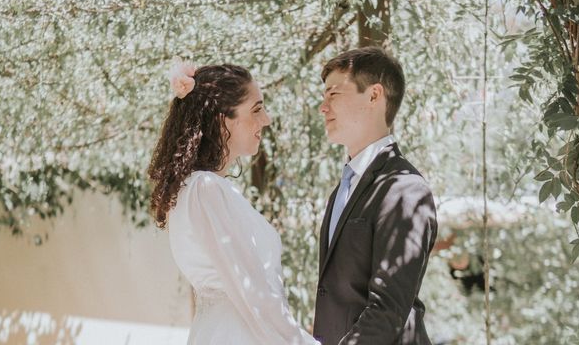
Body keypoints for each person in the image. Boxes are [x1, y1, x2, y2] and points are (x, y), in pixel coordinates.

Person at [148, 59, 319, 345]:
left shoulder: (195, 190)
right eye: (256, 109)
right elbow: (251, 289)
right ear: (222, 119)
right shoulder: (205, 189)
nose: (266, 120)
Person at [313, 47, 438, 345]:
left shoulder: (404, 188)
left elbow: (388, 310)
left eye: (333, 94)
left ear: (373, 95)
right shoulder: (342, 189)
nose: (323, 107)